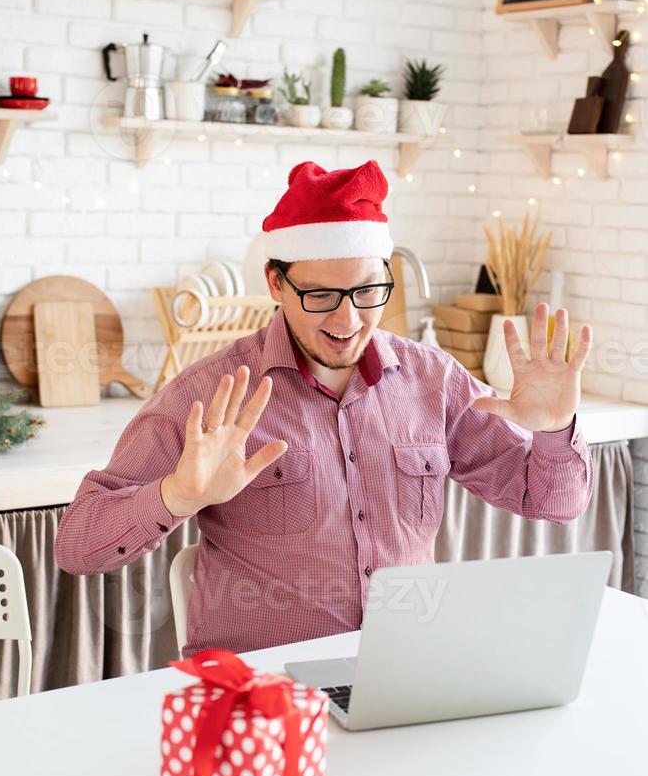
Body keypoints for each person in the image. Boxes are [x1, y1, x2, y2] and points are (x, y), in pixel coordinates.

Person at [55, 159, 594, 658]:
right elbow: (78, 546)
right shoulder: (211, 395)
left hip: (406, 671)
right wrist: (177, 495)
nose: (348, 319)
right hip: (263, 696)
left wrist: (554, 431)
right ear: (275, 282)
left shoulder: (434, 381)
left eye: (367, 291)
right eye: (320, 296)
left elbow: (555, 503)